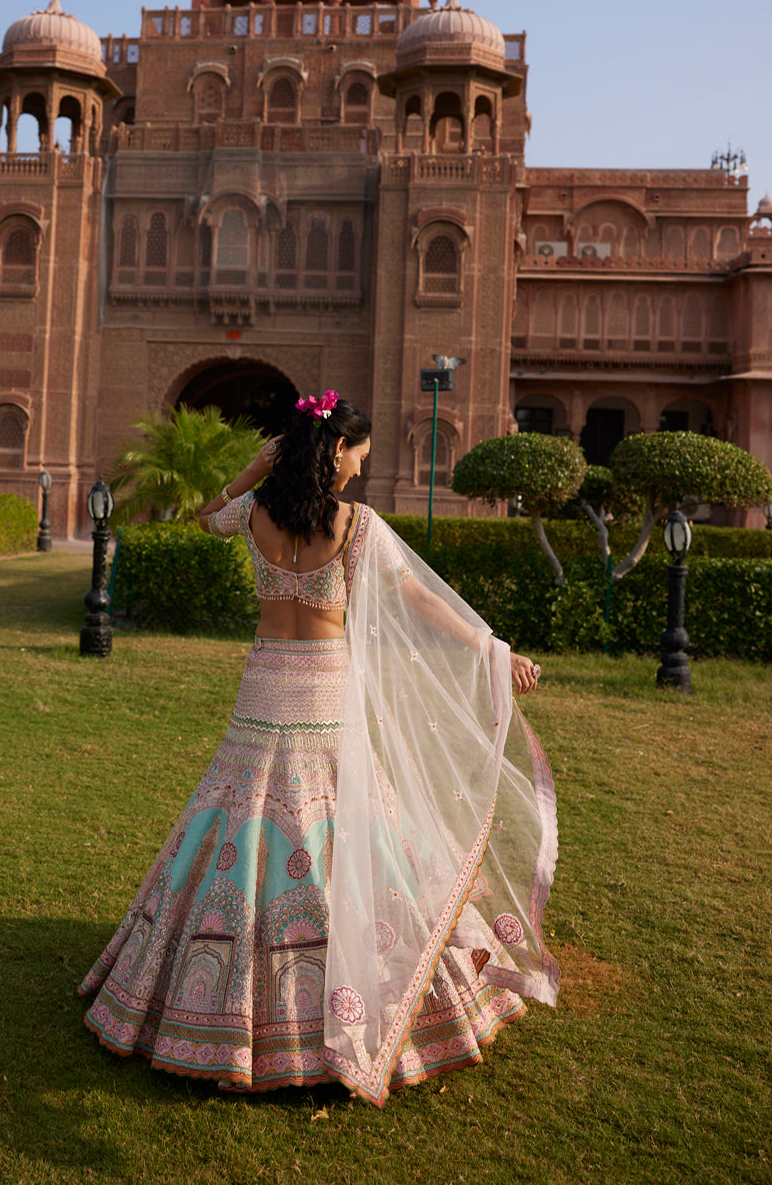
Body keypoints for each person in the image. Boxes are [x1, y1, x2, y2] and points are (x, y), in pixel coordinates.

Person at [80, 391, 558, 1107]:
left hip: (266, 688)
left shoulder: (254, 515)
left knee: (241, 821)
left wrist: (248, 473)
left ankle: (216, 999)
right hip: (324, 695)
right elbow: (426, 605)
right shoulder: (356, 527)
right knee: (345, 827)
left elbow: (205, 518)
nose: (359, 474)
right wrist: (492, 650)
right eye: (357, 458)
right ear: (336, 452)